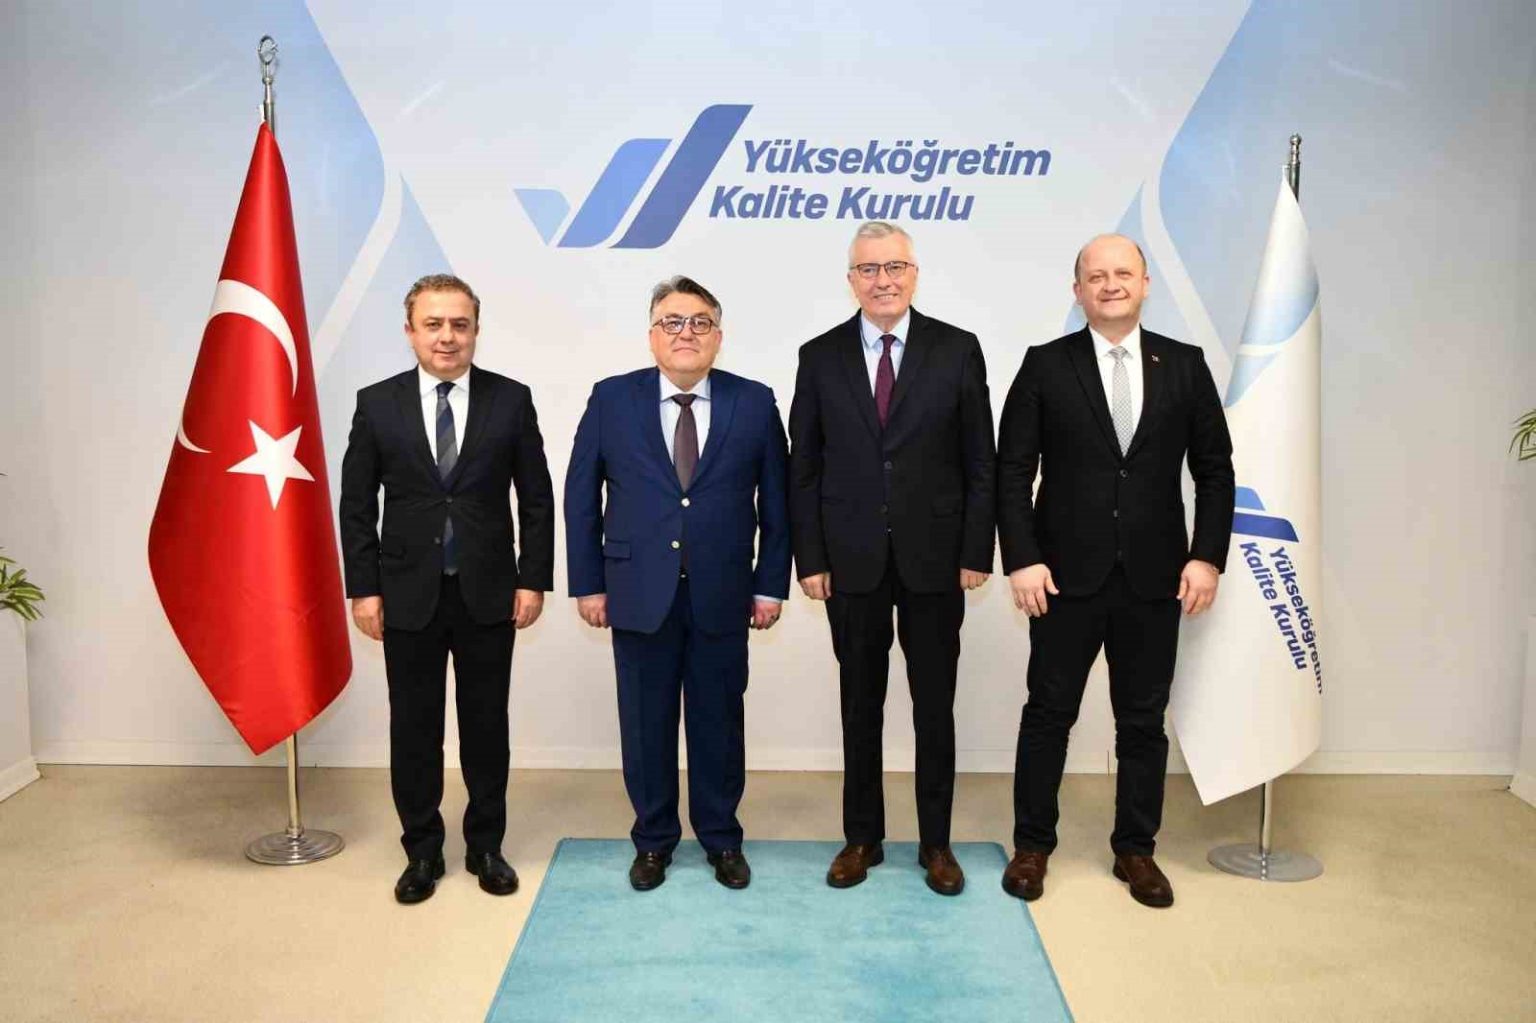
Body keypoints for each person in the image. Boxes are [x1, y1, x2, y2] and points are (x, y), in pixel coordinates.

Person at [996, 234, 1235, 908]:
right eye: (1095, 276)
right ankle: (1032, 846)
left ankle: (1135, 849)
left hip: (1157, 578)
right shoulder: (1045, 365)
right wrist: (1022, 558)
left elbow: (1215, 471)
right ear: (1077, 291)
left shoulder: (1184, 365)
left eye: (1122, 273)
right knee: (1048, 715)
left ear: (1145, 283)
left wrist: (1206, 556)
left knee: (1142, 722)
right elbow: (1012, 471)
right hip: (1061, 578)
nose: (1110, 284)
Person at [788, 221, 995, 896]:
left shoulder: (957, 349)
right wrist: (810, 557)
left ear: (914, 273)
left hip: (937, 560)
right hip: (850, 563)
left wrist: (976, 549)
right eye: (869, 269)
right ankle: (862, 838)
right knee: (860, 706)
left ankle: (936, 843)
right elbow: (803, 467)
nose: (883, 280)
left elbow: (981, 461)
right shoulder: (819, 356)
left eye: (895, 267)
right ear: (851, 280)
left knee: (935, 707)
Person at [565, 275, 790, 892]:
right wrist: (588, 584)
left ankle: (722, 838)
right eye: (672, 321)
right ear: (651, 335)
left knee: (720, 722)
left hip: (725, 592)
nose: (685, 332)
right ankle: (653, 840)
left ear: (718, 336)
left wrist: (770, 585)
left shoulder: (755, 402)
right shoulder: (612, 399)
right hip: (636, 591)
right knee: (646, 724)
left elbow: (778, 503)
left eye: (699, 322)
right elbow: (581, 495)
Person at [339, 273, 554, 904]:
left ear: (476, 330)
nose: (447, 336)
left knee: (486, 726)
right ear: (410, 332)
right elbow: (357, 506)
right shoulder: (376, 403)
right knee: (414, 728)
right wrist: (364, 588)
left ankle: (486, 846)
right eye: (433, 324)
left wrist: (532, 579)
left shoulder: (511, 400)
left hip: (490, 591)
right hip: (406, 594)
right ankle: (422, 851)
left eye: (460, 324)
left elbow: (536, 499)